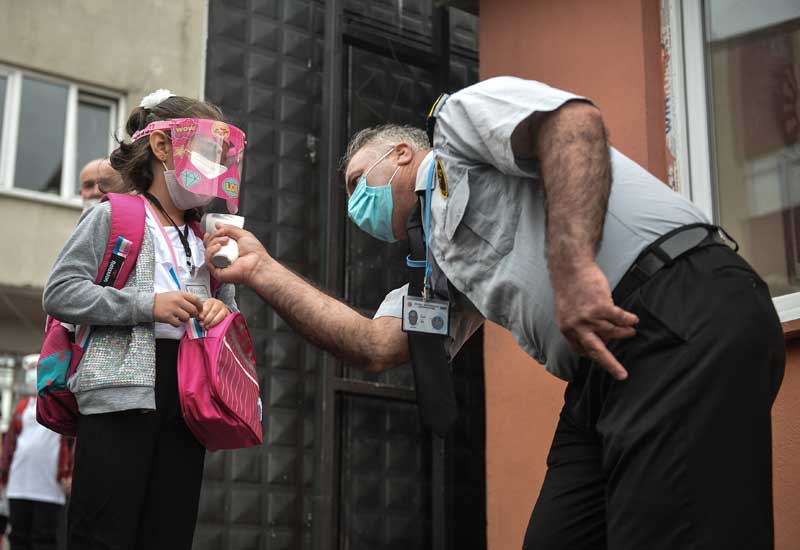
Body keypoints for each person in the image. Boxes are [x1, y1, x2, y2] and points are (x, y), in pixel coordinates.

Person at [206, 76, 785, 549]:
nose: (357, 204)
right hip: (601, 375)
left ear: (403, 154)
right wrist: (262, 271)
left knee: (675, 529)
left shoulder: (459, 125)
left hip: (676, 305)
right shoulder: (435, 262)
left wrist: (574, 264)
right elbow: (377, 345)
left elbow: (574, 123)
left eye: (360, 181)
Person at [43, 90, 240, 549]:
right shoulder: (113, 214)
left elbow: (228, 308)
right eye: (207, 150)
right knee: (102, 534)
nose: (215, 165)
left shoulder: (206, 233)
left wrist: (220, 310)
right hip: (117, 395)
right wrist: (145, 305)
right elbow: (60, 292)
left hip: (190, 396)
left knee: (169, 534)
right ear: (162, 147)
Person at [0, 355, 72, 550]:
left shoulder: (62, 401)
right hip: (19, 483)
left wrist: (69, 473)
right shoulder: (22, 407)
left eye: (35, 367)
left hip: (48, 487)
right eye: (29, 369)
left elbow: (72, 441)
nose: (32, 374)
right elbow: (10, 444)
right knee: (18, 537)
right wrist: (3, 474)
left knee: (44, 539)